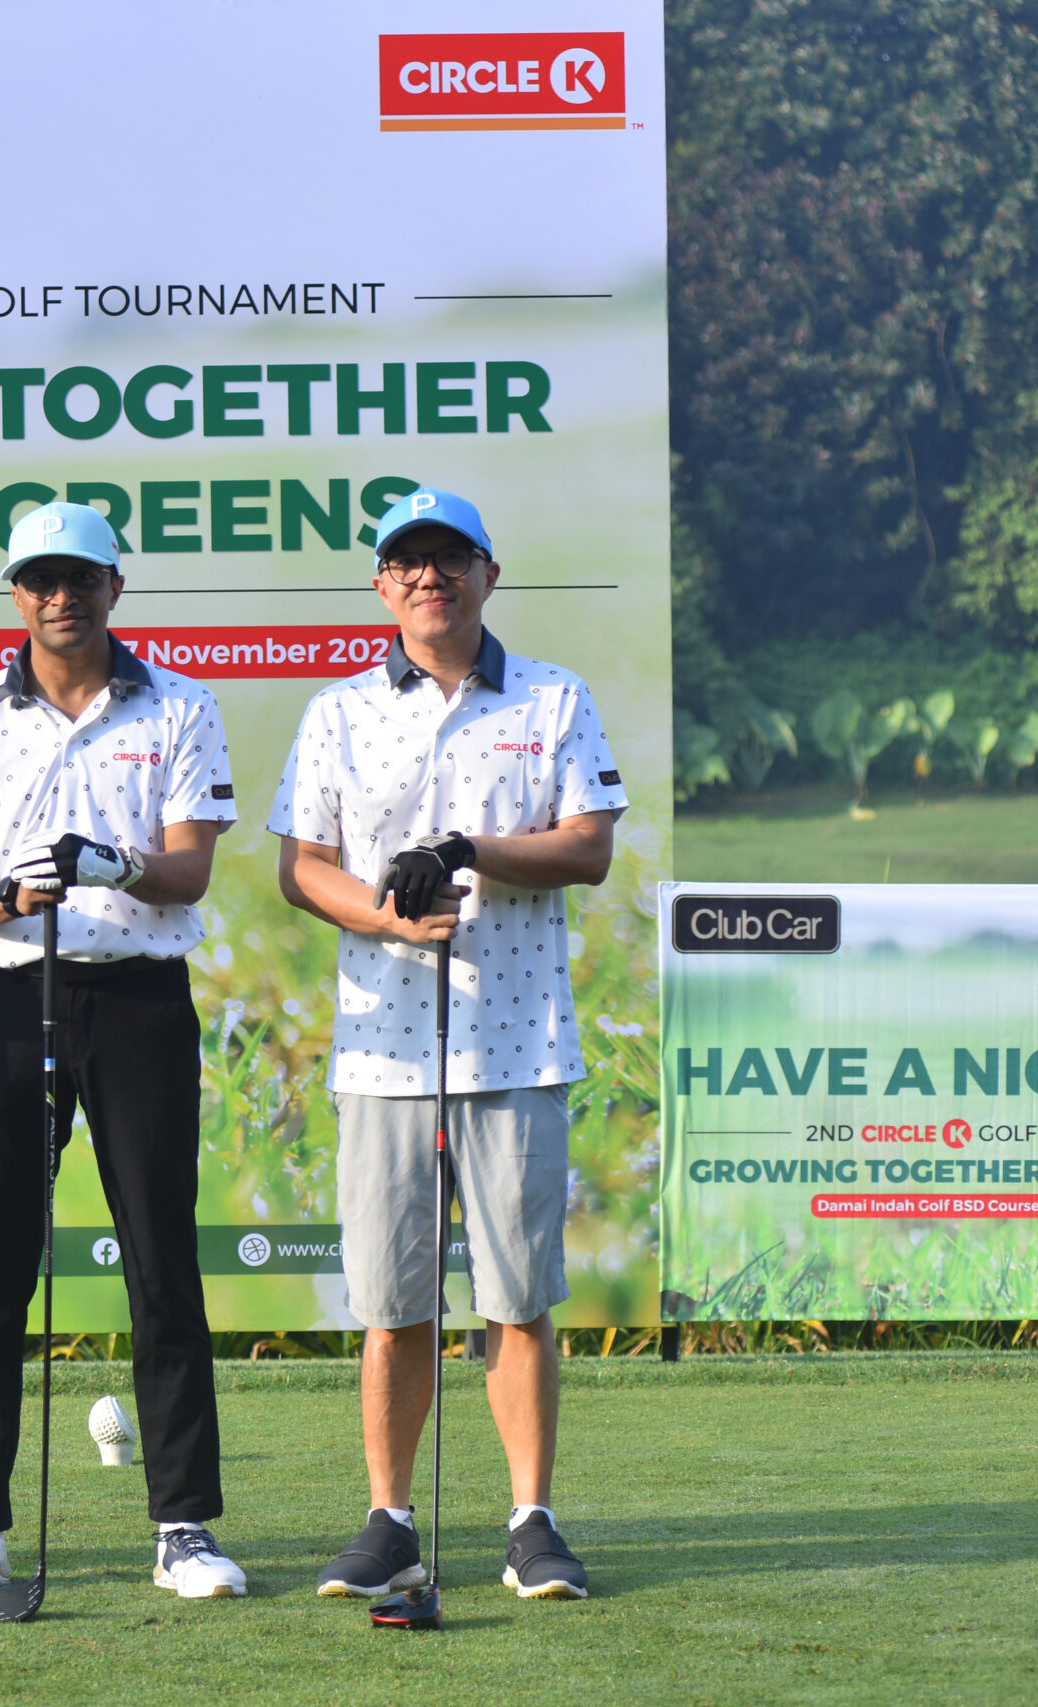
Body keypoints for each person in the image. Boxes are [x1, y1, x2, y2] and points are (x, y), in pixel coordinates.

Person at [271, 486, 624, 1602]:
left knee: (515, 1300)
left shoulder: (554, 697)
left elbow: (588, 846)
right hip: (384, 1047)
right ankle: (389, 1519)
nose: (430, 577)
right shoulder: (337, 711)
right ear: (382, 585)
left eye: (450, 558)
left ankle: (530, 1521)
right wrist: (384, 917)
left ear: (487, 574)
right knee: (393, 1306)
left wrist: (468, 848)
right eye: (407, 562)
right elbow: (302, 865)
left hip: (516, 1044)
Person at [0, 499, 249, 1602]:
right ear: (17, 594)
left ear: (114, 588)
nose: (62, 596)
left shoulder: (180, 705)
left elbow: (190, 868)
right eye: (41, 579)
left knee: (161, 1260)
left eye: (82, 577)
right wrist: (9, 893)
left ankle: (183, 1524)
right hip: (11, 994)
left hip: (140, 999)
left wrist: (114, 865)